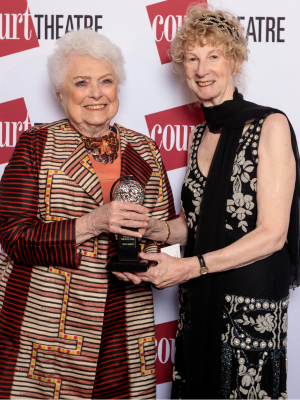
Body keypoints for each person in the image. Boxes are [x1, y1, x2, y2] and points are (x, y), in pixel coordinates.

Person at [115, 5, 300, 399]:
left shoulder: (271, 124)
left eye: (213, 56)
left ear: (233, 59)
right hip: (199, 302)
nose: (202, 69)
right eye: (192, 59)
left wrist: (189, 267)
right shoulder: (198, 135)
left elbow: (272, 234)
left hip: (249, 305)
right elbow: (193, 221)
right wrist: (155, 228)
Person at [0, 29, 175, 399]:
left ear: (118, 88)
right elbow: (13, 237)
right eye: (82, 82)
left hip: (124, 329)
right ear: (61, 93)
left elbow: (168, 234)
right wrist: (95, 221)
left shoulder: (145, 149)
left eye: (106, 81)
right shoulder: (36, 143)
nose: (96, 93)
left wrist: (160, 259)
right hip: (46, 332)